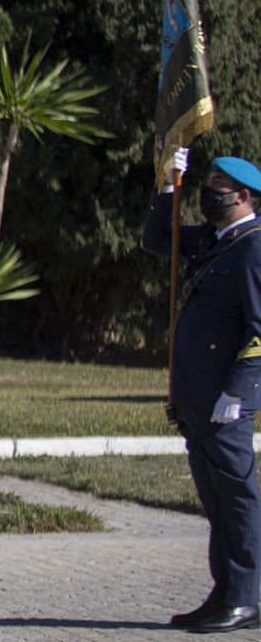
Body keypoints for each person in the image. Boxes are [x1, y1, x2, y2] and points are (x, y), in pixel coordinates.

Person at [144, 148, 261, 634]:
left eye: (218, 186)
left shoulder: (253, 249)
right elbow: (157, 240)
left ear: (243, 196)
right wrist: (167, 185)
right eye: (208, 181)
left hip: (225, 402)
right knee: (216, 501)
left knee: (236, 500)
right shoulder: (216, 240)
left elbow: (260, 328)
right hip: (197, 398)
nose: (208, 191)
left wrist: (239, 391)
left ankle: (246, 597)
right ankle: (225, 592)